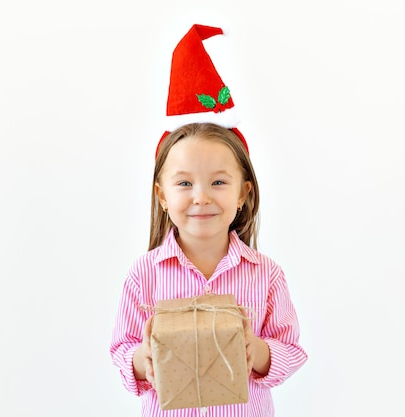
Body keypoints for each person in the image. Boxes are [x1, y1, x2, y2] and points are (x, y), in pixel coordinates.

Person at [109, 24, 307, 417]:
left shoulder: (265, 275)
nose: (201, 196)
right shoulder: (145, 274)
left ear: (243, 193)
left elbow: (291, 349)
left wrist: (260, 351)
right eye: (184, 183)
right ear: (162, 195)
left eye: (218, 181)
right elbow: (121, 349)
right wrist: (142, 358)